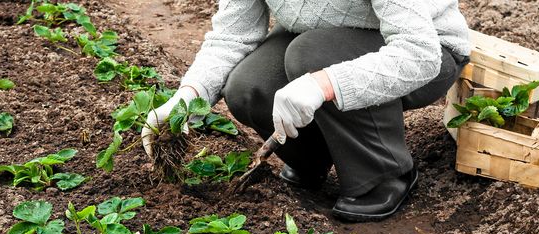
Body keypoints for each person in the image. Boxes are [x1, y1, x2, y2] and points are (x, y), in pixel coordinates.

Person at [141, 0, 472, 222]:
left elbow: (419, 55)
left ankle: (384, 172)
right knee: (247, 85)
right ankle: (312, 157)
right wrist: (188, 97)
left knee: (311, 55)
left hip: (427, 52)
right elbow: (231, 36)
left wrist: (325, 84)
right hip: (317, 39)